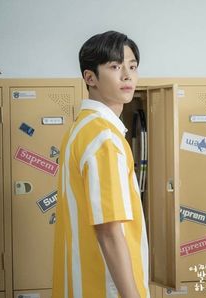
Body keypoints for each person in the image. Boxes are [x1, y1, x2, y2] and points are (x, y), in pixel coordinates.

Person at [52, 30, 149, 298]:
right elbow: (108, 230)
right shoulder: (103, 137)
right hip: (106, 290)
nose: (127, 75)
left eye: (132, 66)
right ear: (89, 77)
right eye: (115, 66)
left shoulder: (80, 129)